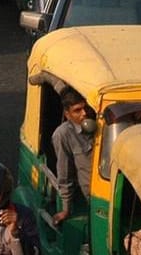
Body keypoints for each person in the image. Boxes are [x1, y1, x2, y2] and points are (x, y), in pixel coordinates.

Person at [49, 89, 94, 225]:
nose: (84, 113)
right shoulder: (63, 135)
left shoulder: (102, 123)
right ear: (67, 115)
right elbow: (65, 173)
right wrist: (66, 209)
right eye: (77, 110)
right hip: (94, 197)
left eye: (86, 108)